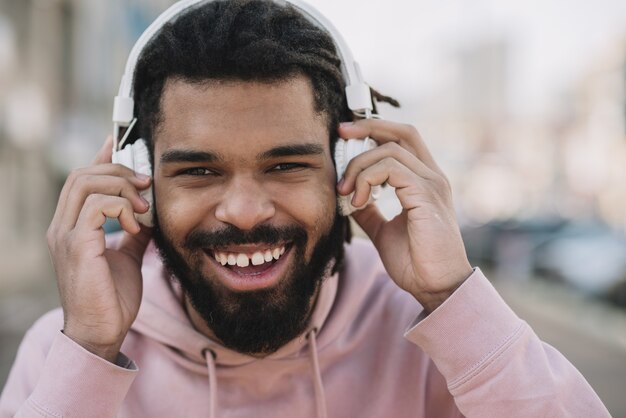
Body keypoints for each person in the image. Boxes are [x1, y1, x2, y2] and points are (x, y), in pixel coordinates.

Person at [0, 1, 611, 417]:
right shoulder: (65, 353)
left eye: (286, 165)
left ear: (347, 170)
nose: (242, 211)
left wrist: (454, 297)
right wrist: (88, 358)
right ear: (141, 181)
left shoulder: (435, 339)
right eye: (198, 171)